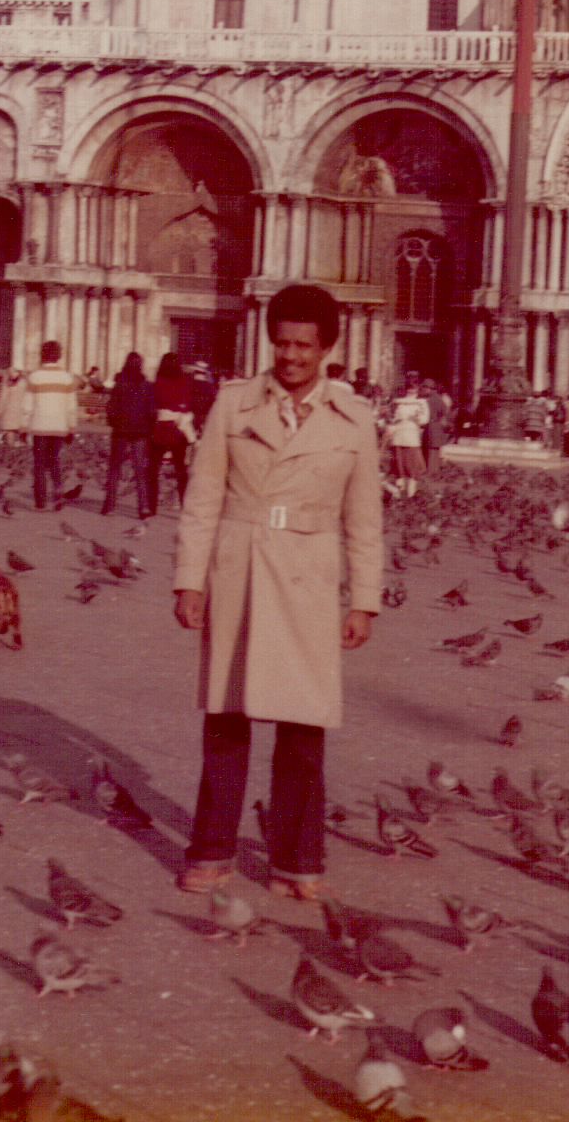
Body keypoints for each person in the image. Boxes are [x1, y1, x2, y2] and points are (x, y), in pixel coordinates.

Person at [173, 282, 382, 900]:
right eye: (282, 343)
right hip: (238, 569)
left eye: (304, 346)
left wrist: (363, 599)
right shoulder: (233, 406)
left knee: (302, 724)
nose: (290, 356)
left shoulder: (356, 420)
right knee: (227, 717)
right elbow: (202, 500)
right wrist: (189, 580)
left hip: (309, 576)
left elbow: (365, 520)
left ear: (326, 350)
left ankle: (297, 858)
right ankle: (211, 849)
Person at [23, 340, 80, 511]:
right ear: (59, 356)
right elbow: (71, 405)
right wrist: (72, 427)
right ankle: (58, 490)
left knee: (39, 464)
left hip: (40, 425)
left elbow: (27, 405)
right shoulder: (66, 377)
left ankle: (40, 502)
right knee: (54, 460)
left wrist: (24, 426)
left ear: (42, 355)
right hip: (59, 426)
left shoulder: (34, 377)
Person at [102, 353, 155, 518]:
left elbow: (111, 407)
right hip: (140, 432)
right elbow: (152, 410)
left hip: (120, 431)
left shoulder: (119, 384)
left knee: (115, 469)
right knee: (140, 470)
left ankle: (109, 506)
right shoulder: (147, 386)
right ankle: (143, 507)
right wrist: (148, 428)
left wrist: (114, 423)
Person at [149, 353, 197, 513]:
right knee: (181, 470)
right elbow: (189, 402)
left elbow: (154, 402)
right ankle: (185, 505)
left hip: (161, 428)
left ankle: (152, 506)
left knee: (153, 470)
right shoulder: (184, 381)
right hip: (178, 429)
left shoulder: (158, 381)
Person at [385, 374, 430, 499]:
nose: (411, 390)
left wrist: (417, 418)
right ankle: (398, 495)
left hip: (411, 438)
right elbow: (392, 417)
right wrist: (394, 418)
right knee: (399, 468)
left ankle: (410, 495)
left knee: (412, 469)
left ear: (417, 388)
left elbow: (424, 420)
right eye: (409, 387)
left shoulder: (421, 403)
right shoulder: (399, 402)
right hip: (398, 437)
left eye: (413, 387)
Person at [0, 369, 28, 446]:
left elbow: (3, 398)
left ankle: (16, 446)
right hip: (15, 410)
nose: (13, 374)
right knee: (13, 430)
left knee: (15, 430)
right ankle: (14, 446)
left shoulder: (20, 383)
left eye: (15, 372)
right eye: (12, 372)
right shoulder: (10, 383)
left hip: (15, 410)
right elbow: (3, 397)